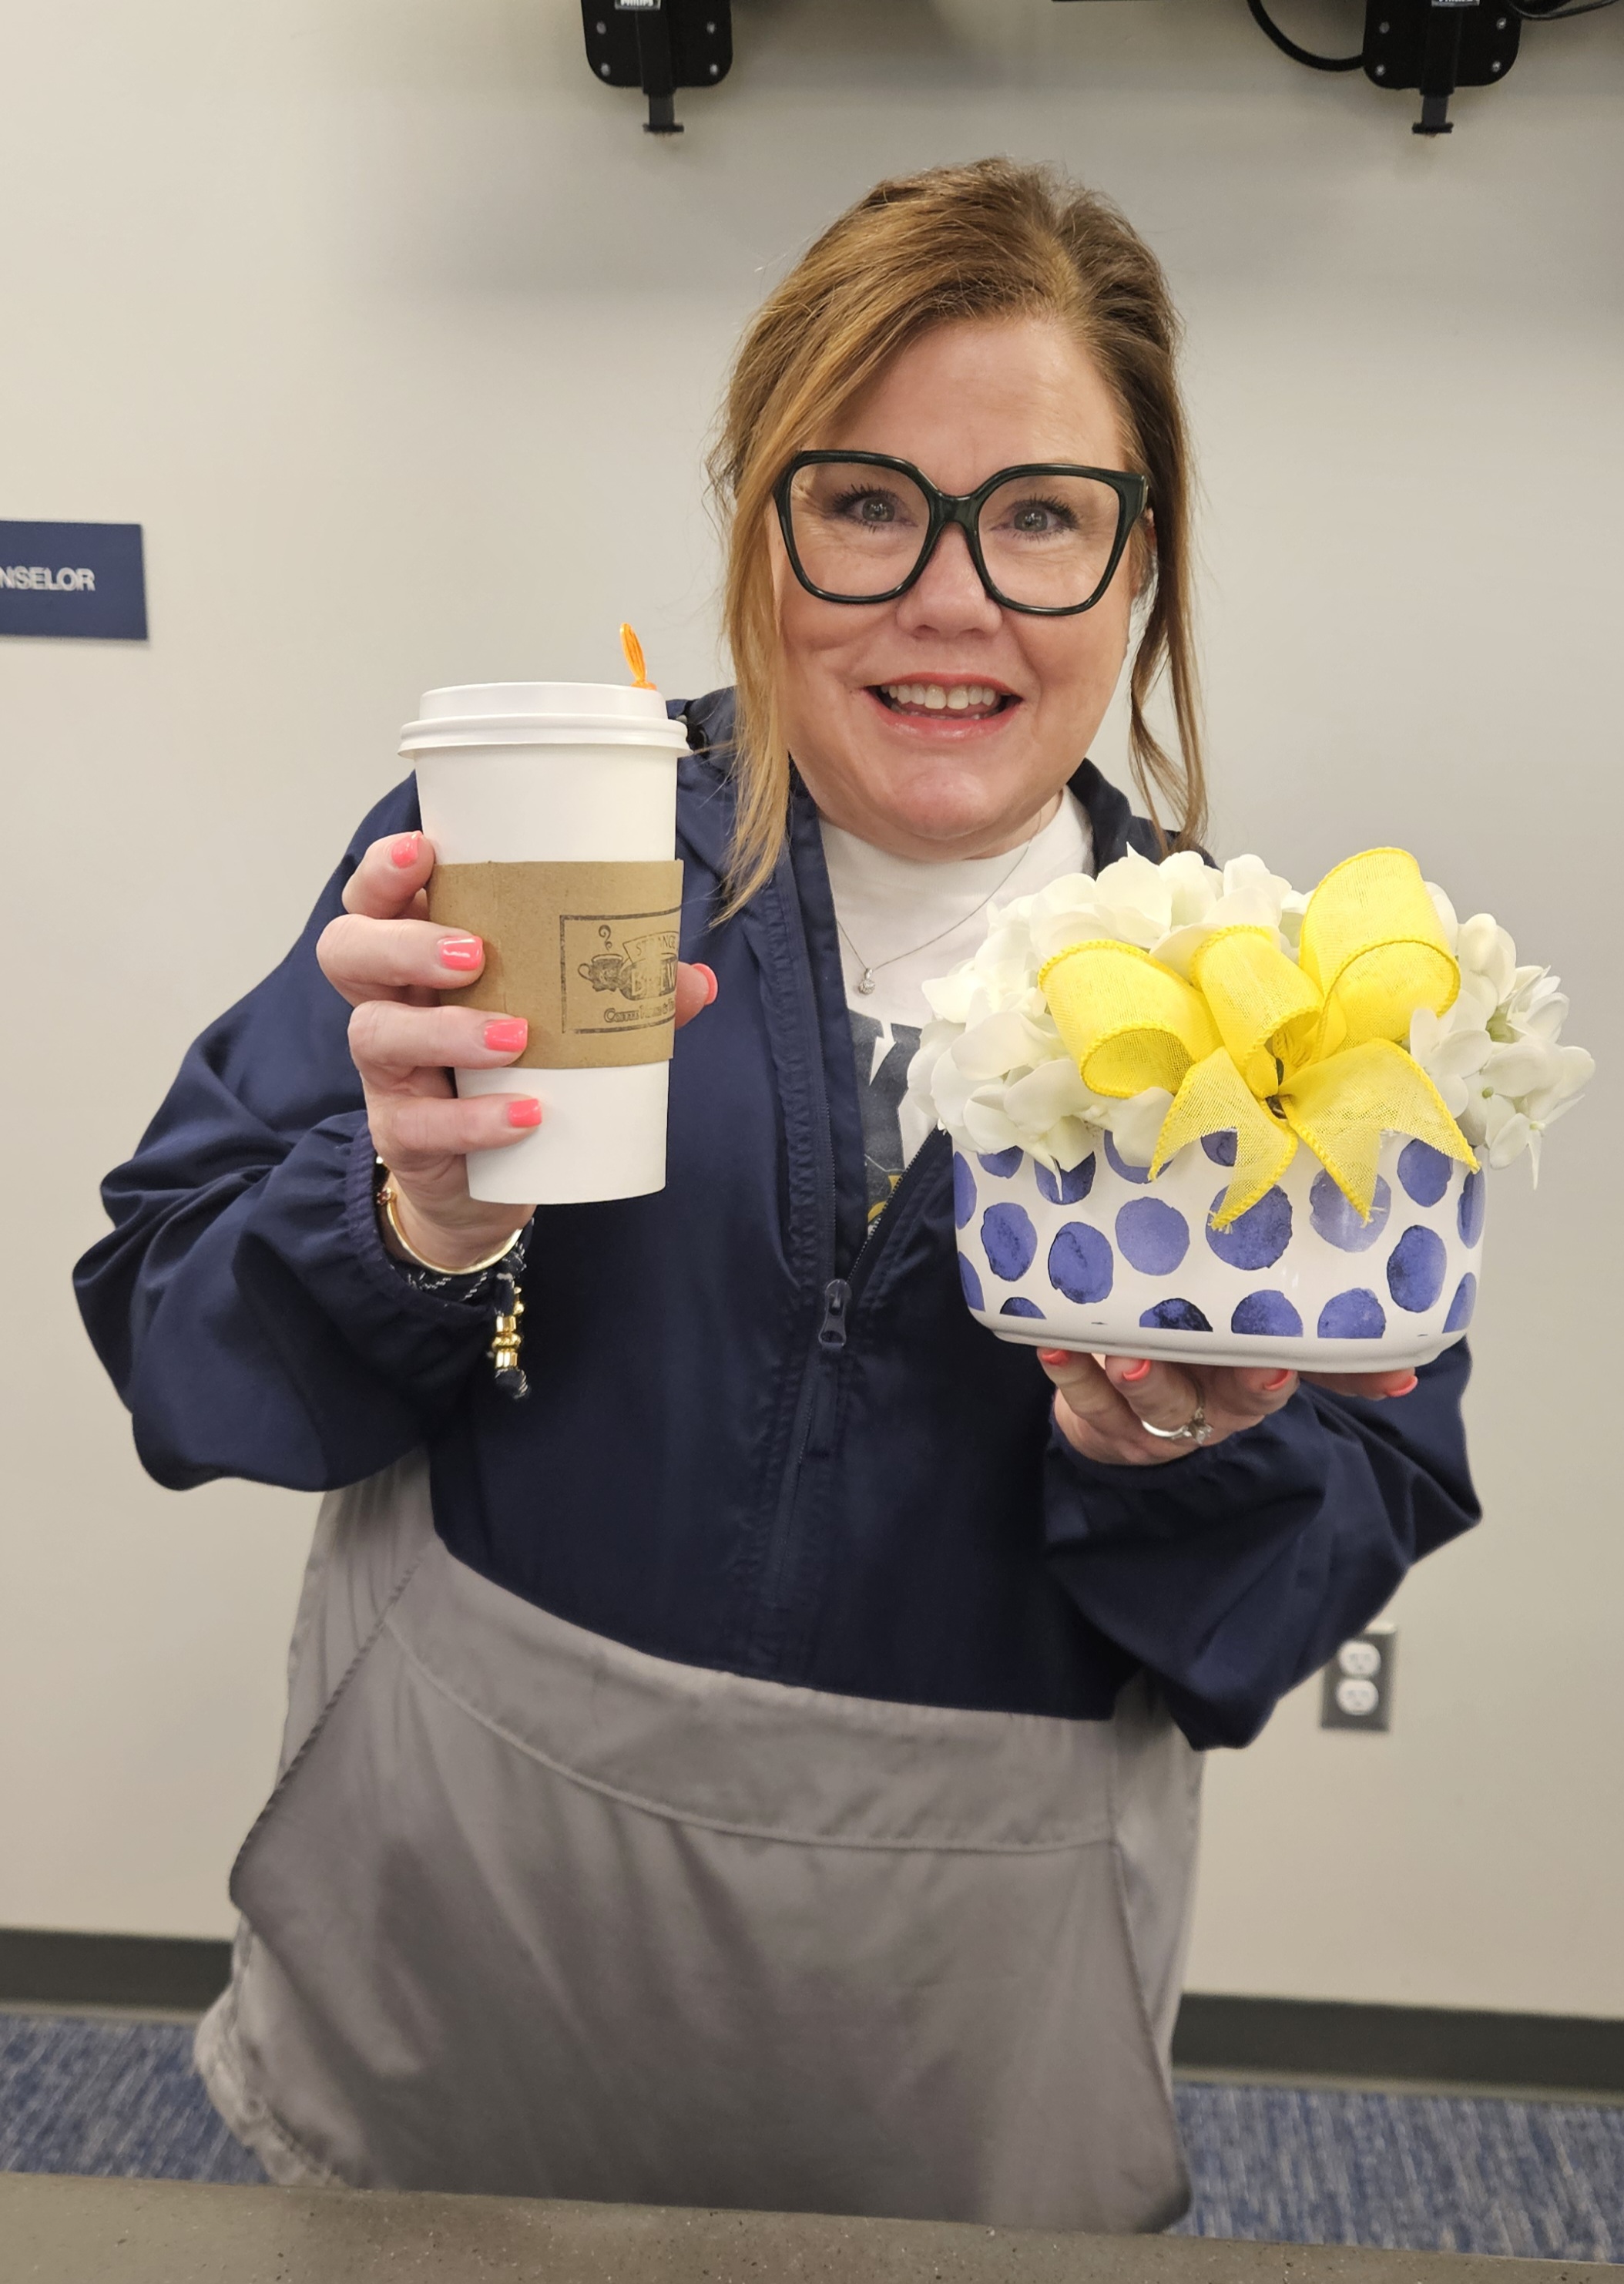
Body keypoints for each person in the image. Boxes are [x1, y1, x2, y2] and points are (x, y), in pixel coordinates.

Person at [75, 159, 1478, 2231]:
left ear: (1140, 561)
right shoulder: (523, 870)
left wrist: (1178, 1451)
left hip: (951, 1989)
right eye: (865, 502)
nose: (952, 598)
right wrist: (408, 1226)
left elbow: (1309, 1566)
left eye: (1040, 517)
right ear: (759, 523)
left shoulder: (1261, 1008)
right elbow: (178, 1339)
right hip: (472, 1914)